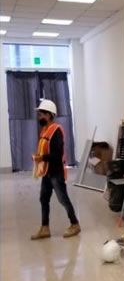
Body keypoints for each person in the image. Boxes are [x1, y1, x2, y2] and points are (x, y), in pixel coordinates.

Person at [31, 99, 81, 240]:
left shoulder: (56, 131)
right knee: (43, 199)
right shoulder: (44, 130)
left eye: (42, 114)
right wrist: (38, 158)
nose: (39, 117)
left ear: (49, 115)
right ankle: (45, 228)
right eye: (39, 114)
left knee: (63, 199)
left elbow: (57, 155)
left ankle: (75, 224)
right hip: (47, 172)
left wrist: (42, 158)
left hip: (56, 173)